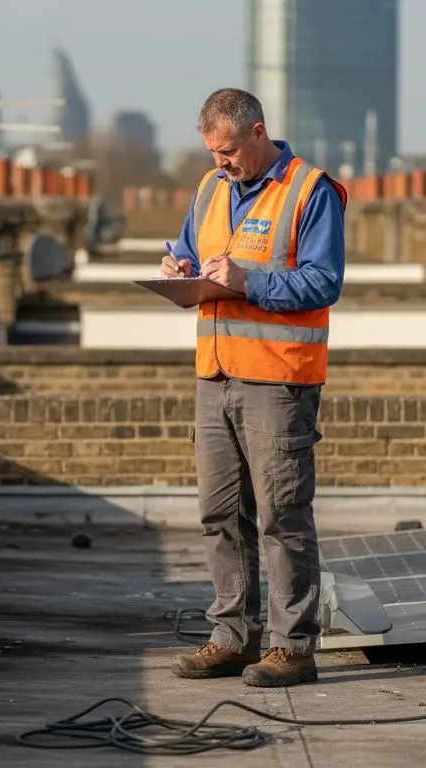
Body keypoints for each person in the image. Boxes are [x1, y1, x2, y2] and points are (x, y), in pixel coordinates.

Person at [163, 88, 347, 688]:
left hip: (277, 379)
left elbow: (323, 282)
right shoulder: (211, 188)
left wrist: (249, 281)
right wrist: (179, 269)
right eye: (213, 151)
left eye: (230, 150)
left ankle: (292, 648)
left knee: (282, 515)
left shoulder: (310, 190)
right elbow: (192, 250)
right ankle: (232, 637)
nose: (222, 161)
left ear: (258, 131)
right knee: (220, 514)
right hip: (215, 374)